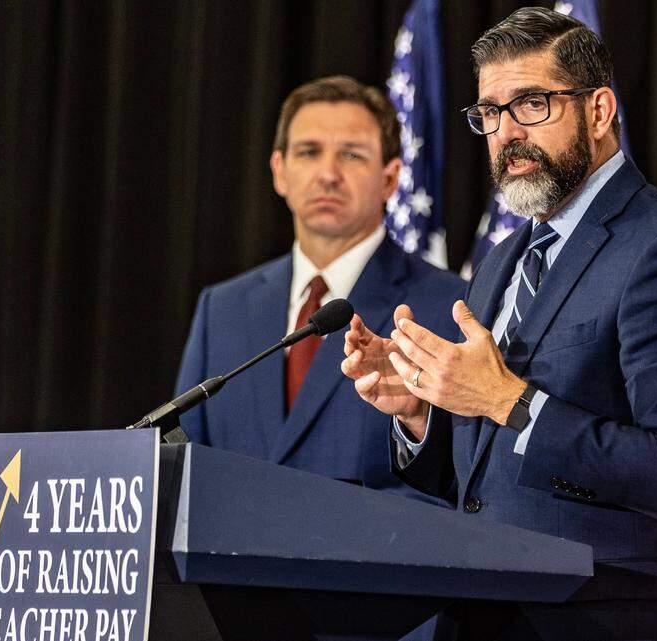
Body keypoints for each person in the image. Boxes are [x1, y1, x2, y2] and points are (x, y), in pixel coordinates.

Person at [341, 8, 657, 640]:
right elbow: (485, 485)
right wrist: (423, 414)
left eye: (531, 104)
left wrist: (508, 400)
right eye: (490, 113)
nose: (506, 132)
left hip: (599, 621)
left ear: (600, 111)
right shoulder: (505, 258)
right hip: (482, 614)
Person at [175, 75, 465, 505]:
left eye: (351, 154)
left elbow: (464, 481)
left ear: (390, 179)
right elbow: (185, 465)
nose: (328, 174)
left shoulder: (449, 306)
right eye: (309, 152)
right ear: (279, 171)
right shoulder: (223, 307)